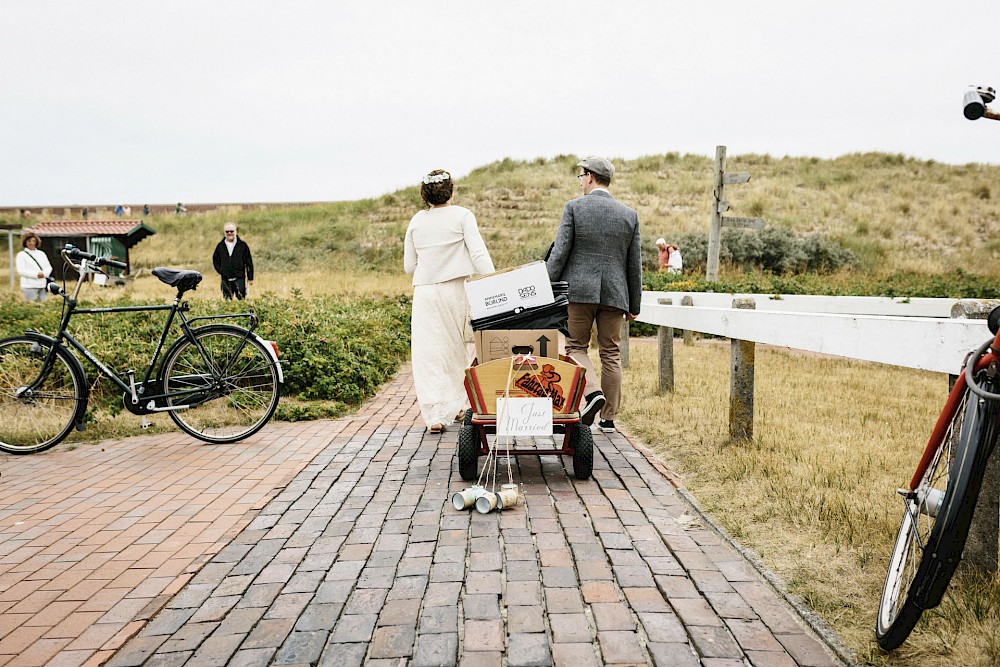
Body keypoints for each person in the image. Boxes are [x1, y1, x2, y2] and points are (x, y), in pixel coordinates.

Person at [546, 157, 642, 434]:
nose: (580, 181)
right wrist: (634, 303)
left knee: (575, 347)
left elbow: (560, 252)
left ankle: (592, 393)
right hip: (615, 293)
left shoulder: (574, 208)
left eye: (581, 176)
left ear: (589, 177)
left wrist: (547, 286)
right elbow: (633, 264)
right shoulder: (629, 214)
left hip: (578, 292)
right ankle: (609, 419)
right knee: (611, 353)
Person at [404, 169, 495, 434]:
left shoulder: (417, 221)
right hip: (457, 289)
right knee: (460, 348)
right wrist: (494, 280)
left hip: (426, 292)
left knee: (429, 353)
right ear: (451, 192)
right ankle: (461, 403)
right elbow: (479, 254)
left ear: (425, 195)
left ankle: (435, 414)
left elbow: (409, 266)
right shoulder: (463, 216)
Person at [212, 222, 254, 300]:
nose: (229, 233)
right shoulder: (220, 246)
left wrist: (250, 277)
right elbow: (215, 260)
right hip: (226, 279)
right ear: (224, 233)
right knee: (227, 301)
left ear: (236, 232)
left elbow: (249, 262)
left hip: (239, 278)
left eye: (231, 231)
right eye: (227, 232)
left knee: (241, 300)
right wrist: (222, 271)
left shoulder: (243, 245)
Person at [16, 232, 53, 302]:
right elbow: (21, 271)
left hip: (42, 285)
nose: (31, 243)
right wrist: (36, 275)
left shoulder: (41, 254)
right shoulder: (21, 255)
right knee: (31, 307)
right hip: (29, 286)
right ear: (25, 242)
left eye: (33, 241)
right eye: (29, 241)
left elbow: (49, 267)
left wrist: (44, 274)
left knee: (43, 306)